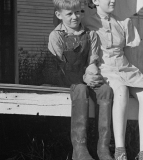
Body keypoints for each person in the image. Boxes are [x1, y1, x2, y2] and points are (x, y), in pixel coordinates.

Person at [82, 0, 143, 160]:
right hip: (104, 68)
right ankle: (120, 151)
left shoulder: (124, 22)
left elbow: (129, 52)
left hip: (124, 67)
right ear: (95, 1)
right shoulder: (87, 22)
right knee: (121, 91)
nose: (112, 0)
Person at [48, 0, 114, 160]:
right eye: (69, 13)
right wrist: (85, 77)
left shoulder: (90, 34)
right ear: (59, 15)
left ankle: (103, 149)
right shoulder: (56, 36)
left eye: (78, 12)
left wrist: (91, 73)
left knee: (106, 90)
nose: (75, 17)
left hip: (85, 76)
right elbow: (61, 66)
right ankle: (79, 149)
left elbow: (92, 61)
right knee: (81, 89)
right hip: (65, 78)